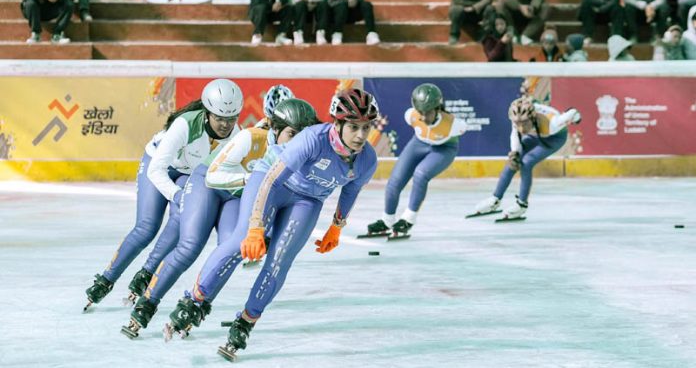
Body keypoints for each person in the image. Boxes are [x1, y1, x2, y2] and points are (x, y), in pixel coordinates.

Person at [121, 99, 318, 339]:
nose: (299, 142)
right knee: (189, 247)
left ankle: (196, 306)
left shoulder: (300, 154)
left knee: (233, 251)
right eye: (292, 134)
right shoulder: (251, 138)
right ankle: (147, 304)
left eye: (304, 135)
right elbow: (213, 176)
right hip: (207, 184)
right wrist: (251, 180)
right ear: (275, 130)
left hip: (236, 197)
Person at [215, 88, 379, 360]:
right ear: (337, 123)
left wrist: (337, 225)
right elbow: (270, 180)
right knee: (239, 244)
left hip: (307, 201)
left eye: (366, 127)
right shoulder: (312, 139)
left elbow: (350, 190)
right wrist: (256, 226)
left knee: (279, 262)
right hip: (275, 187)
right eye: (353, 126)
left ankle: (245, 322)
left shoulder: (367, 159)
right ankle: (196, 300)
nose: (361, 135)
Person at [84, 79, 242, 311]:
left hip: (189, 173)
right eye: (219, 118)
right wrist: (177, 194)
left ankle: (147, 273)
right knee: (147, 226)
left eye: (231, 118)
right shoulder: (185, 125)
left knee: (183, 218)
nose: (225, 125)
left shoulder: (236, 135)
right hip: (159, 165)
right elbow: (156, 170)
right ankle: (107, 278)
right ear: (207, 112)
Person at [365, 84, 468, 237]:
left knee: (420, 174)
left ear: (438, 108)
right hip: (418, 143)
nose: (424, 117)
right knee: (394, 181)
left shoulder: (454, 125)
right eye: (420, 112)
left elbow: (460, 133)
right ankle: (387, 220)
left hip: (444, 149)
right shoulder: (410, 115)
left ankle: (408, 219)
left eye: (428, 113)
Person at [473, 96, 582, 220]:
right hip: (535, 133)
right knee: (513, 161)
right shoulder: (517, 117)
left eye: (524, 123)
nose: (521, 128)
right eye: (517, 124)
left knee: (527, 162)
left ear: (532, 117)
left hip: (554, 138)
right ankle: (495, 199)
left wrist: (576, 116)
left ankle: (522, 204)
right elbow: (514, 136)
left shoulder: (553, 123)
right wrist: (515, 153)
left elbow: (572, 112)